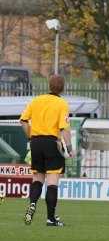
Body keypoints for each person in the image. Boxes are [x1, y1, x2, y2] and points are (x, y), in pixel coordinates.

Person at [20, 75, 74, 227]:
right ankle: (51, 218)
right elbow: (64, 129)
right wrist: (69, 148)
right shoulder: (62, 103)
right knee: (52, 182)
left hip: (36, 143)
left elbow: (23, 121)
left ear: (49, 86)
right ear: (63, 88)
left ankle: (32, 204)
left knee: (37, 179)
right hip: (52, 143)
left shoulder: (36, 100)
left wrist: (31, 137)